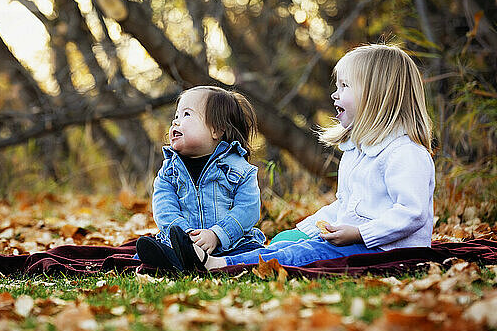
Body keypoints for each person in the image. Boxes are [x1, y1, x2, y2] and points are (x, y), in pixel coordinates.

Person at [168, 43, 436, 271]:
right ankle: (205, 257)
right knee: (287, 241)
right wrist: (305, 228)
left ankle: (220, 266)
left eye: (345, 86)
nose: (335, 93)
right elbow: (344, 206)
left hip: (385, 250)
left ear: (378, 96)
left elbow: (412, 213)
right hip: (354, 240)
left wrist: (359, 233)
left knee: (299, 255)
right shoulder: (358, 152)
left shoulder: (404, 154)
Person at [136, 86, 266, 271]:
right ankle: (176, 256)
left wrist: (217, 234)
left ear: (216, 129)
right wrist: (184, 235)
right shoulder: (169, 171)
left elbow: (248, 210)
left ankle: (185, 262)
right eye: (176, 116)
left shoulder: (240, 170)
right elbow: (164, 207)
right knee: (158, 245)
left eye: (186, 115)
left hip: (232, 244)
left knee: (251, 254)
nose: (176, 123)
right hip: (184, 241)